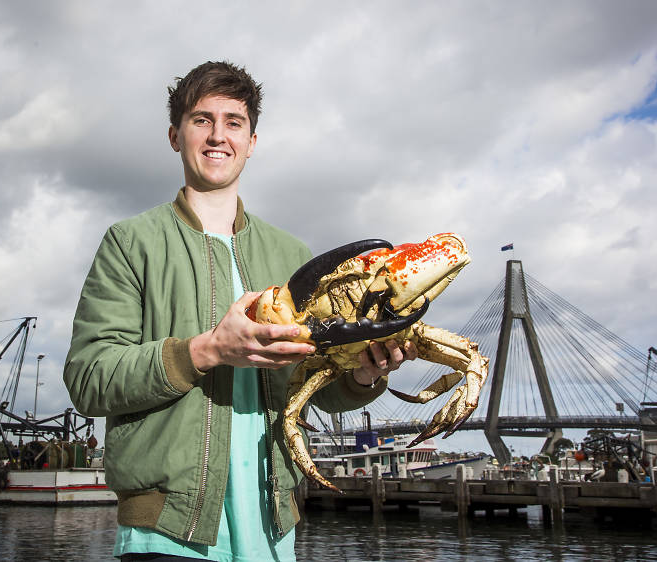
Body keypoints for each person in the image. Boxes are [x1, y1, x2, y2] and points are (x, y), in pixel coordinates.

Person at [64, 61, 417, 561]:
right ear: (174, 135)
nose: (217, 136)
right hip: (167, 532)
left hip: (275, 529)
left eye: (234, 122)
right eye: (201, 119)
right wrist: (206, 351)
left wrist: (364, 376)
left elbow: (322, 389)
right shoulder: (130, 243)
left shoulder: (294, 256)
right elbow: (88, 377)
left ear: (252, 140)